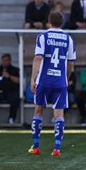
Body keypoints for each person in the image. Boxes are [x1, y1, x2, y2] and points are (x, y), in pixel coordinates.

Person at [28, 12, 75, 156]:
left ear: (48, 21)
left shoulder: (43, 36)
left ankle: (36, 146)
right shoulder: (68, 39)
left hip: (44, 80)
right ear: (62, 23)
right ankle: (57, 149)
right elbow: (71, 63)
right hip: (60, 81)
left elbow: (38, 58)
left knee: (38, 111)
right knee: (59, 114)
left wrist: (32, 79)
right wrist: (66, 77)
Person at [0, 53, 20, 124]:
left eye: (6, 60)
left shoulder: (15, 70)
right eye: (3, 60)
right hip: (0, 92)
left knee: (16, 98)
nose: (5, 62)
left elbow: (18, 80)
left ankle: (11, 118)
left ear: (10, 61)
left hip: (11, 92)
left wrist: (9, 76)